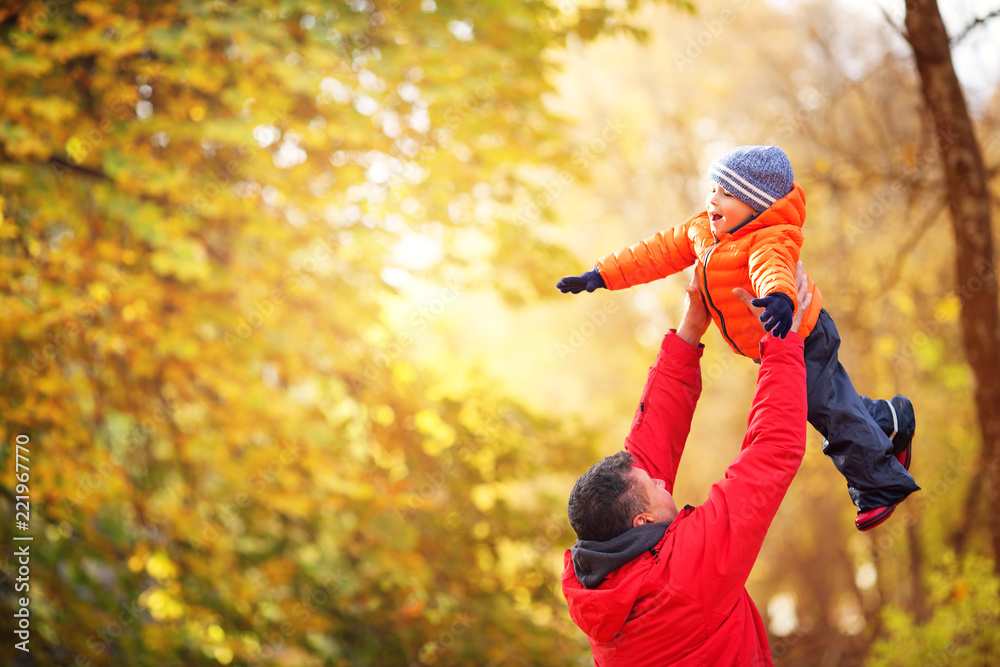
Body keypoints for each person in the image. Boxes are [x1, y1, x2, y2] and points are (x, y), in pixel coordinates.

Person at [556, 145, 917, 530]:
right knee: (829, 402)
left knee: (829, 411)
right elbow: (656, 251)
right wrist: (602, 275)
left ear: (757, 205)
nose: (713, 199)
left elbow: (772, 268)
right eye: (713, 188)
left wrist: (778, 298)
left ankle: (879, 484)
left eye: (727, 194)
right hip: (771, 343)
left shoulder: (768, 237)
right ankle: (889, 419)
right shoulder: (702, 231)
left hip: (801, 334)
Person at [562, 269, 809, 666]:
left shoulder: (598, 588)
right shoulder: (690, 571)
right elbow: (772, 452)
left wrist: (691, 326)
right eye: (652, 484)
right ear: (642, 522)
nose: (660, 479)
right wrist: (782, 343)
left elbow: (651, 440)